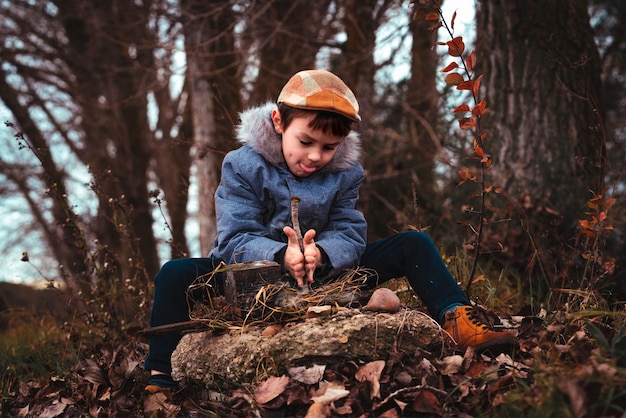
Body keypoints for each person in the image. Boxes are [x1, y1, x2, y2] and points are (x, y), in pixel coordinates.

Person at [144, 69, 517, 392]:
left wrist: (322, 253)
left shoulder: (344, 173)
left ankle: (456, 317)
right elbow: (233, 236)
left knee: (413, 243)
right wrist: (279, 254)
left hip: (325, 273)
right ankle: (160, 373)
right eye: (305, 142)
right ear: (278, 122)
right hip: (249, 276)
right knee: (175, 274)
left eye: (328, 147)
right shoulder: (243, 166)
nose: (315, 157)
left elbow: (350, 229)